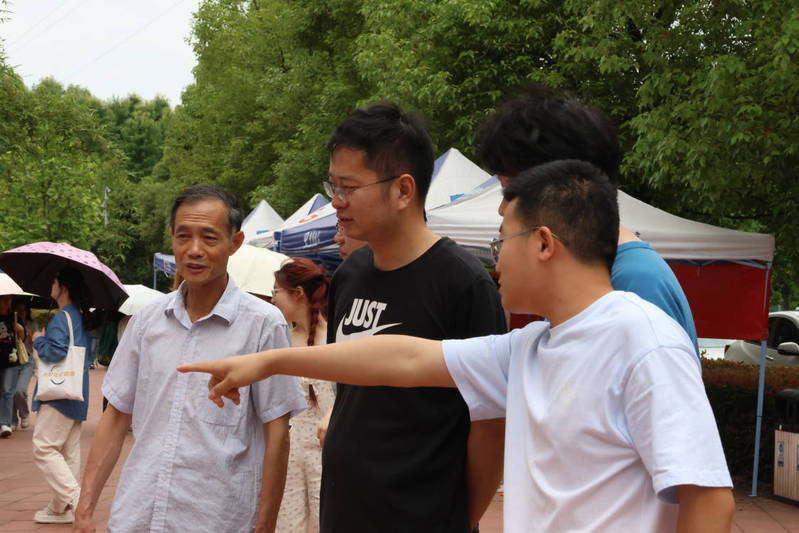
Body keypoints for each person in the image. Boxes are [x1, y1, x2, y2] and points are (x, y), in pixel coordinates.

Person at [180, 160, 736, 533]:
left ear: (544, 243)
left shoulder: (642, 338)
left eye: (502, 239)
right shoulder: (530, 347)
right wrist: (269, 360)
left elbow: (708, 498)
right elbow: (403, 356)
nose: (496, 257)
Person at [317, 102, 507, 532]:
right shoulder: (348, 275)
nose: (336, 202)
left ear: (403, 190)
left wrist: (458, 520)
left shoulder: (463, 285)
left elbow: (491, 428)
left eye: (349, 187)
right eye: (333, 185)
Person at [73, 184, 306, 533]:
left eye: (209, 238)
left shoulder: (262, 324)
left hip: (217, 518)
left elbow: (276, 431)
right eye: (184, 236)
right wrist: (85, 508)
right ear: (172, 238)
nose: (194, 250)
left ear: (235, 242)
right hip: (138, 513)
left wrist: (266, 523)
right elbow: (117, 415)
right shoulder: (147, 321)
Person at [474, 84, 699, 355]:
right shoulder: (586, 277)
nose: (502, 209)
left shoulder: (633, 284)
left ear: (564, 185)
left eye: (509, 191)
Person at [271, 257, 334, 533]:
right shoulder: (280, 340)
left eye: (276, 291)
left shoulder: (337, 340)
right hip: (289, 451)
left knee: (328, 522)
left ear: (297, 293)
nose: (273, 299)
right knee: (286, 525)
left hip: (329, 450)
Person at [30, 267, 94, 524]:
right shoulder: (77, 316)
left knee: (44, 447)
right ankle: (60, 508)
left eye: (54, 282)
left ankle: (76, 501)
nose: (51, 286)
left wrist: (38, 340)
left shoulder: (61, 318)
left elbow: (55, 352)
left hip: (58, 394)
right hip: (76, 391)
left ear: (63, 288)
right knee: (69, 452)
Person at [0, 293, 26, 438]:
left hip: (11, 360)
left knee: (7, 391)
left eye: (9, 299)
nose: (7, 302)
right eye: (4, 299)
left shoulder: (14, 318)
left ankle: (5, 423)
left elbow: (22, 339)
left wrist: (20, 330)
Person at [12, 298, 36, 430]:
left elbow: (35, 345)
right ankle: (12, 420)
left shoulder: (31, 324)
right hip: (11, 360)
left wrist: (30, 336)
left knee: (20, 390)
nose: (22, 312)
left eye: (24, 310)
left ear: (27, 311)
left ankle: (24, 414)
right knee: (9, 391)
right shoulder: (10, 323)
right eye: (19, 310)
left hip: (27, 360)